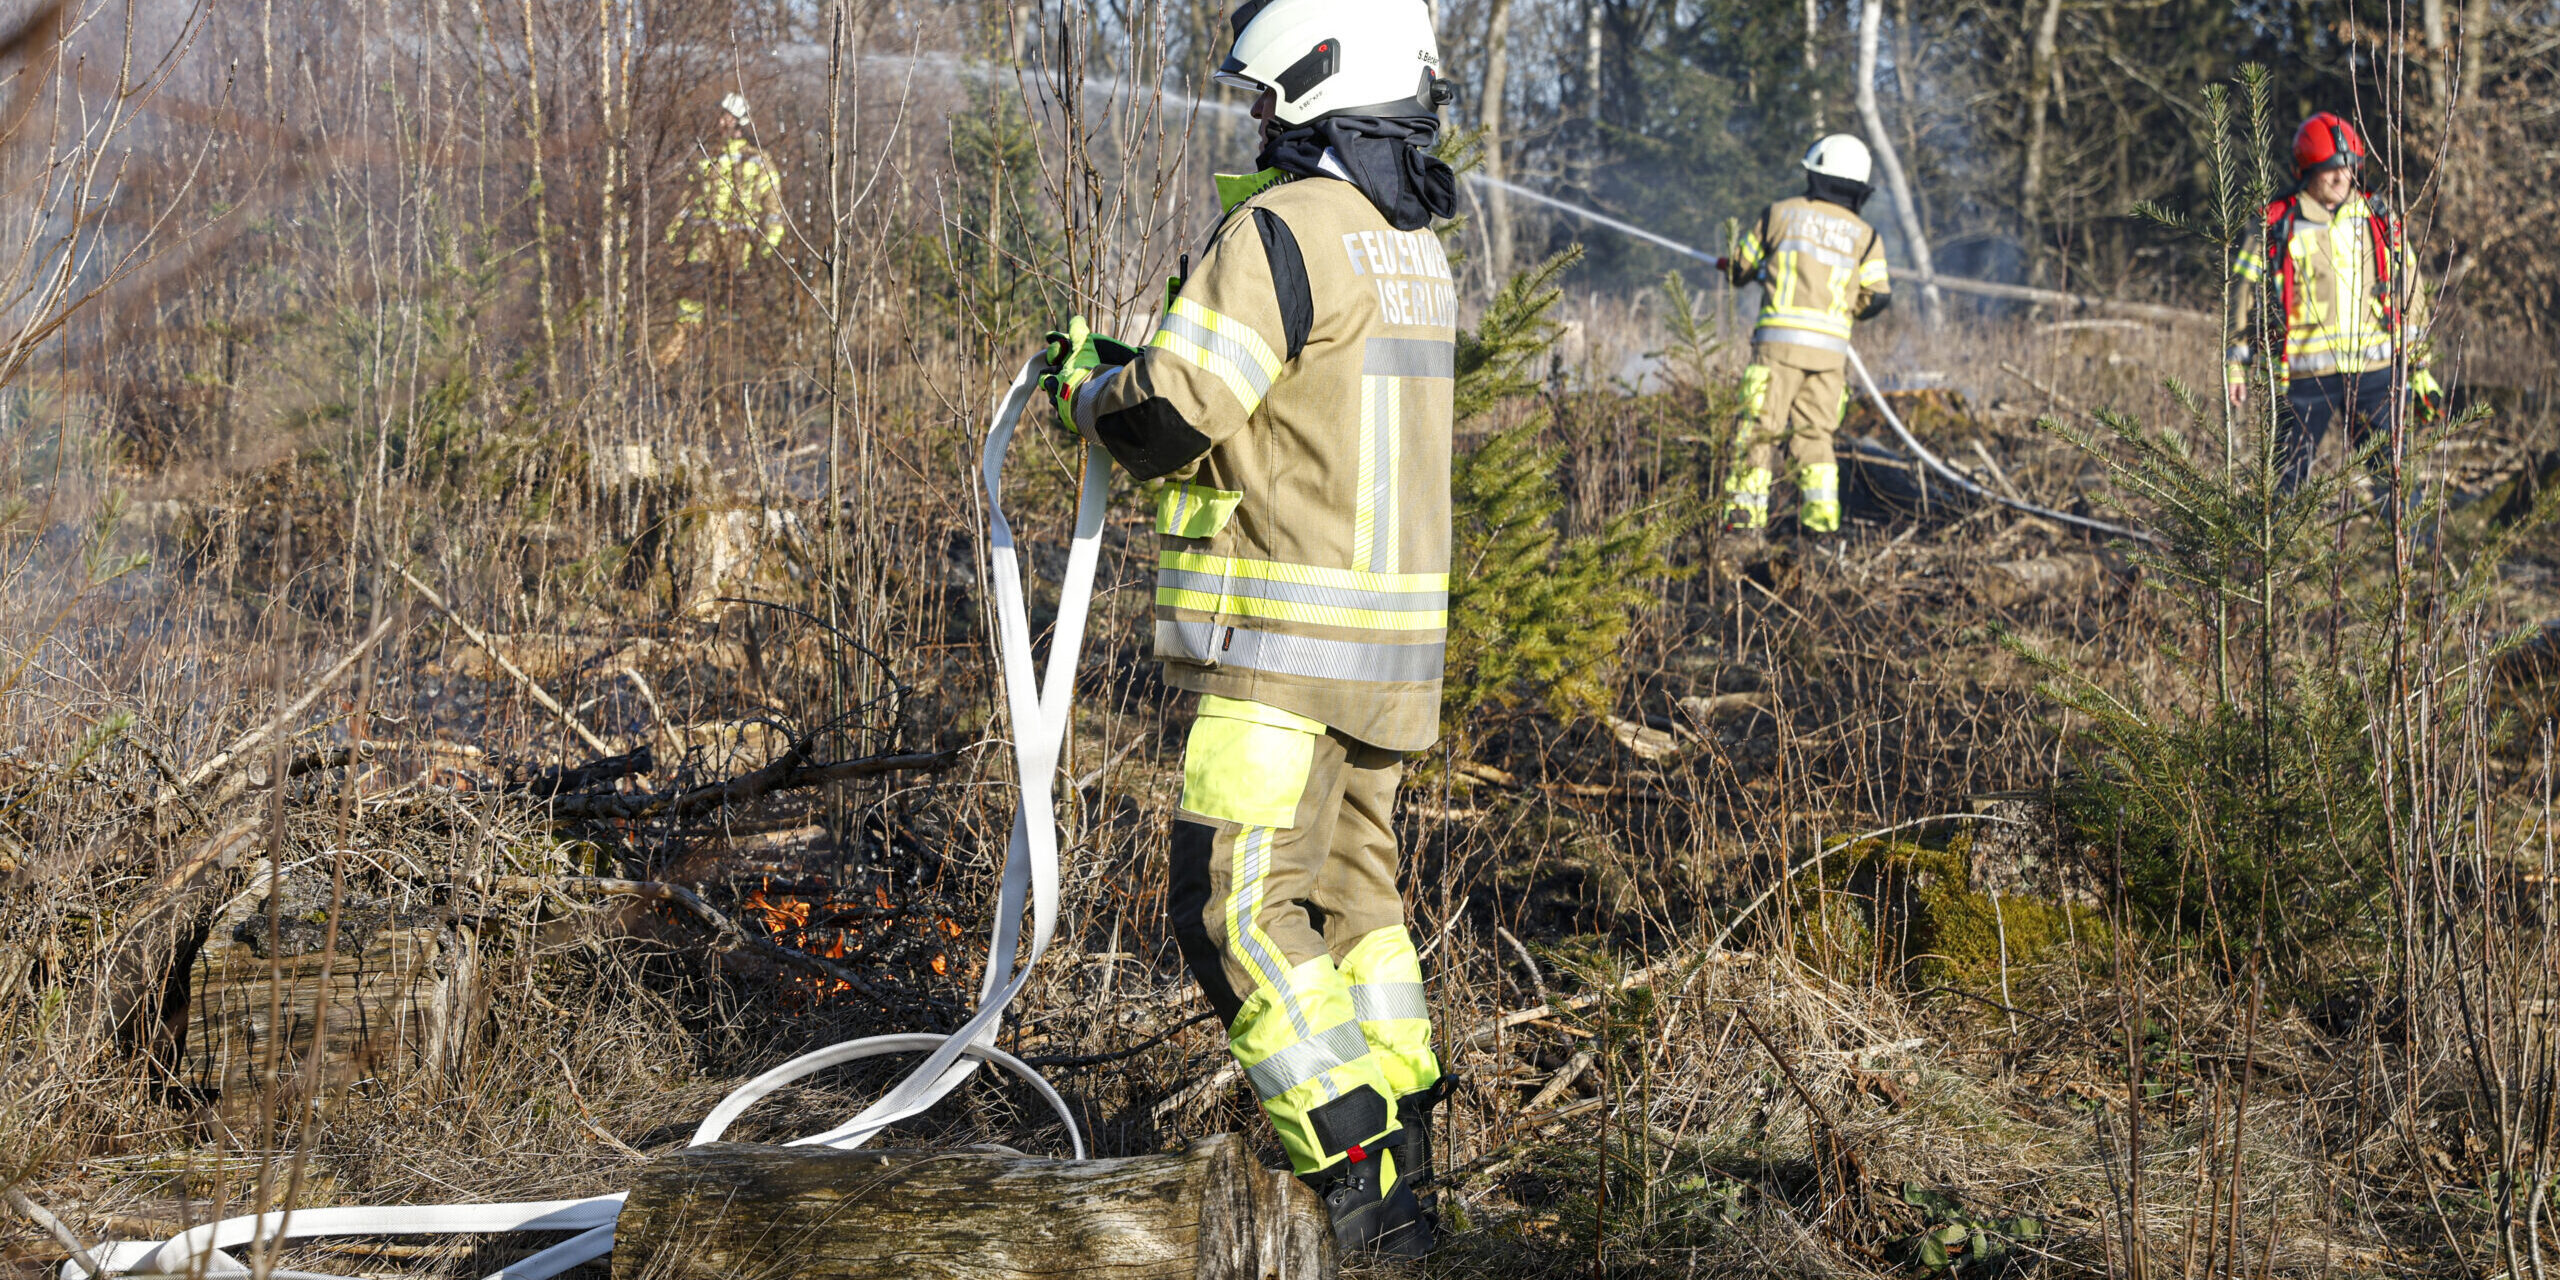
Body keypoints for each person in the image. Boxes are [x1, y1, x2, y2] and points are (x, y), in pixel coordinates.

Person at [1037, 0, 1460, 1256]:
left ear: (1311, 79)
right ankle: (1413, 1172)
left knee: (1231, 905)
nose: (1256, 114)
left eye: (1266, 94)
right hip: (1389, 657)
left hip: (1278, 649)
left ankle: (1356, 1176)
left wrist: (1082, 389)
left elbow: (1171, 412)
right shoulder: (1409, 245)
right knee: (1355, 904)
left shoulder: (1282, 228)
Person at [2227, 112, 2440, 500]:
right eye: (2330, 170)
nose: (2342, 178)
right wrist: (2236, 365)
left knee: (2396, 484)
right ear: (2307, 170)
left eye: (2349, 168)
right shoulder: (2276, 223)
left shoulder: (2378, 218)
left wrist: (2420, 362)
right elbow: (2243, 294)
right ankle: (2275, 559)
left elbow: (2411, 284)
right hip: (2305, 378)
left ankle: (2415, 556)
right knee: (2284, 486)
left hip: (2375, 375)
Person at [1720, 134, 1892, 538]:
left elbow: (1740, 267)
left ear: (1815, 173)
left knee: (1758, 430)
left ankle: (1744, 525)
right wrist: (1844, 310)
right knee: (1816, 440)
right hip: (1829, 357)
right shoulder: (1866, 236)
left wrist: (1739, 267)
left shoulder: (1780, 214)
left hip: (1778, 350)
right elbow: (1879, 296)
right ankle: (1821, 530)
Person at [656, 93, 786, 369]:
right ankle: (676, 361)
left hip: (739, 245)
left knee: (732, 305)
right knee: (691, 300)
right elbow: (687, 200)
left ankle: (728, 367)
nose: (719, 121)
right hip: (703, 240)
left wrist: (767, 246)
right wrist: (672, 237)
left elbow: (774, 208)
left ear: (739, 121)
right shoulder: (707, 155)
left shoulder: (758, 160)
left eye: (726, 115)